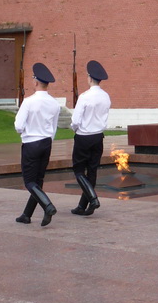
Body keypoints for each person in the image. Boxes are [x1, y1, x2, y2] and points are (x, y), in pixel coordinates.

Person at [14, 62, 60, 226]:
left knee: (29, 181)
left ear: (35, 81)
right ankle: (27, 214)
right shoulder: (54, 103)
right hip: (46, 142)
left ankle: (47, 205)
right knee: (38, 181)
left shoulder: (29, 101)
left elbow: (18, 126)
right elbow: (54, 127)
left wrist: (26, 132)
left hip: (31, 143)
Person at [70, 60, 111, 216]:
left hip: (84, 136)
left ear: (89, 77)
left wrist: (76, 129)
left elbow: (75, 121)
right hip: (98, 136)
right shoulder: (105, 96)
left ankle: (92, 199)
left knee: (79, 170)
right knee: (92, 171)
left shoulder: (85, 97)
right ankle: (82, 205)